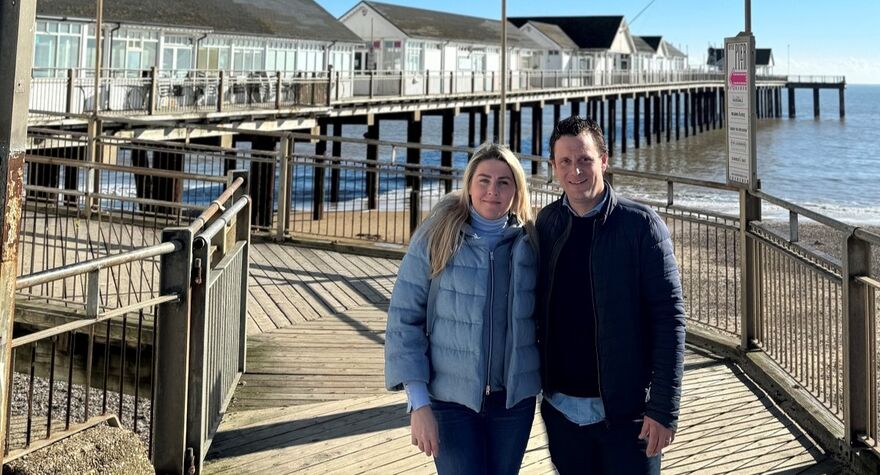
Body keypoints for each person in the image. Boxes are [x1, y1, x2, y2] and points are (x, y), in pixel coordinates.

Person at [535, 116, 686, 474]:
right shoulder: (547, 223)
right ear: (553, 167)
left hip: (627, 413)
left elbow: (669, 318)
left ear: (603, 160)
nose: (576, 171)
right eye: (565, 162)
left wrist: (663, 408)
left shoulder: (641, 226)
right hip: (561, 410)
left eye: (585, 159)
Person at [385, 142, 541, 474]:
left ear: (517, 190)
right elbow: (404, 319)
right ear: (469, 184)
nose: (492, 191)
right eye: (483, 180)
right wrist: (418, 403)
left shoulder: (531, 243)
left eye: (504, 182)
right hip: (449, 402)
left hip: (513, 404)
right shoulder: (438, 234)